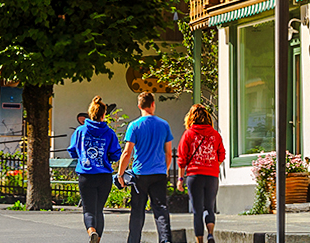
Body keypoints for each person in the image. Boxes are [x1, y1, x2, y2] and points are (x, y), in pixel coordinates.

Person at [116, 92, 174, 243]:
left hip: (140, 174)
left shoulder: (134, 126)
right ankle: (165, 240)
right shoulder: (164, 125)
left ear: (139, 106)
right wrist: (165, 170)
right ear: (153, 104)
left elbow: (127, 152)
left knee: (137, 210)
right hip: (159, 173)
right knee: (161, 209)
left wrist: (120, 174)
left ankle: (134, 240)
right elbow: (169, 153)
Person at [68, 96, 122, 243]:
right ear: (103, 114)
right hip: (104, 176)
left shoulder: (80, 131)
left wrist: (81, 155)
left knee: (89, 210)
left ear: (90, 113)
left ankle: (91, 230)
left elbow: (72, 150)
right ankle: (97, 239)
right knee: (99, 210)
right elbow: (116, 154)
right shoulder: (109, 132)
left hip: (86, 175)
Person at [177, 105, 225, 243]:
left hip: (194, 175)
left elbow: (182, 159)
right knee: (209, 207)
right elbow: (221, 154)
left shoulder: (188, 134)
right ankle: (210, 233)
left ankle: (200, 241)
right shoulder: (215, 134)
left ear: (191, 118)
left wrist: (180, 179)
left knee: (197, 210)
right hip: (212, 176)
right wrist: (213, 165)